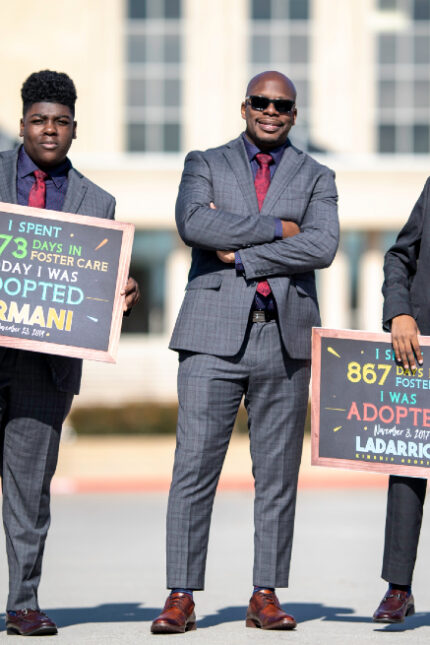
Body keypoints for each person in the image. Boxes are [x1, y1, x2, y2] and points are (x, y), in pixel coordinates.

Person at [151, 70, 339, 634]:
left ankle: (265, 593)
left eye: (282, 105)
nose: (271, 111)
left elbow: (324, 243)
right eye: (261, 102)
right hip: (210, 336)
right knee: (194, 467)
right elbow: (193, 223)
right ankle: (180, 594)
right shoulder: (204, 162)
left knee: (278, 474)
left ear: (294, 114)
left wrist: (248, 253)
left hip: (284, 338)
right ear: (244, 107)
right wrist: (281, 230)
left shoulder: (317, 175)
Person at [0, 70, 139, 636]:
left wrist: (123, 292)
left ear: (74, 128)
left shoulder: (97, 202)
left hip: (46, 368)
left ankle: (23, 603)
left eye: (60, 121)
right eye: (39, 120)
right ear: (23, 124)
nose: (49, 130)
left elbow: (100, 285)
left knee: (30, 495)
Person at [373, 178, 430, 624]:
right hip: (421, 352)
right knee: (409, 467)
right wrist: (401, 310)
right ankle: (398, 588)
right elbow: (399, 255)